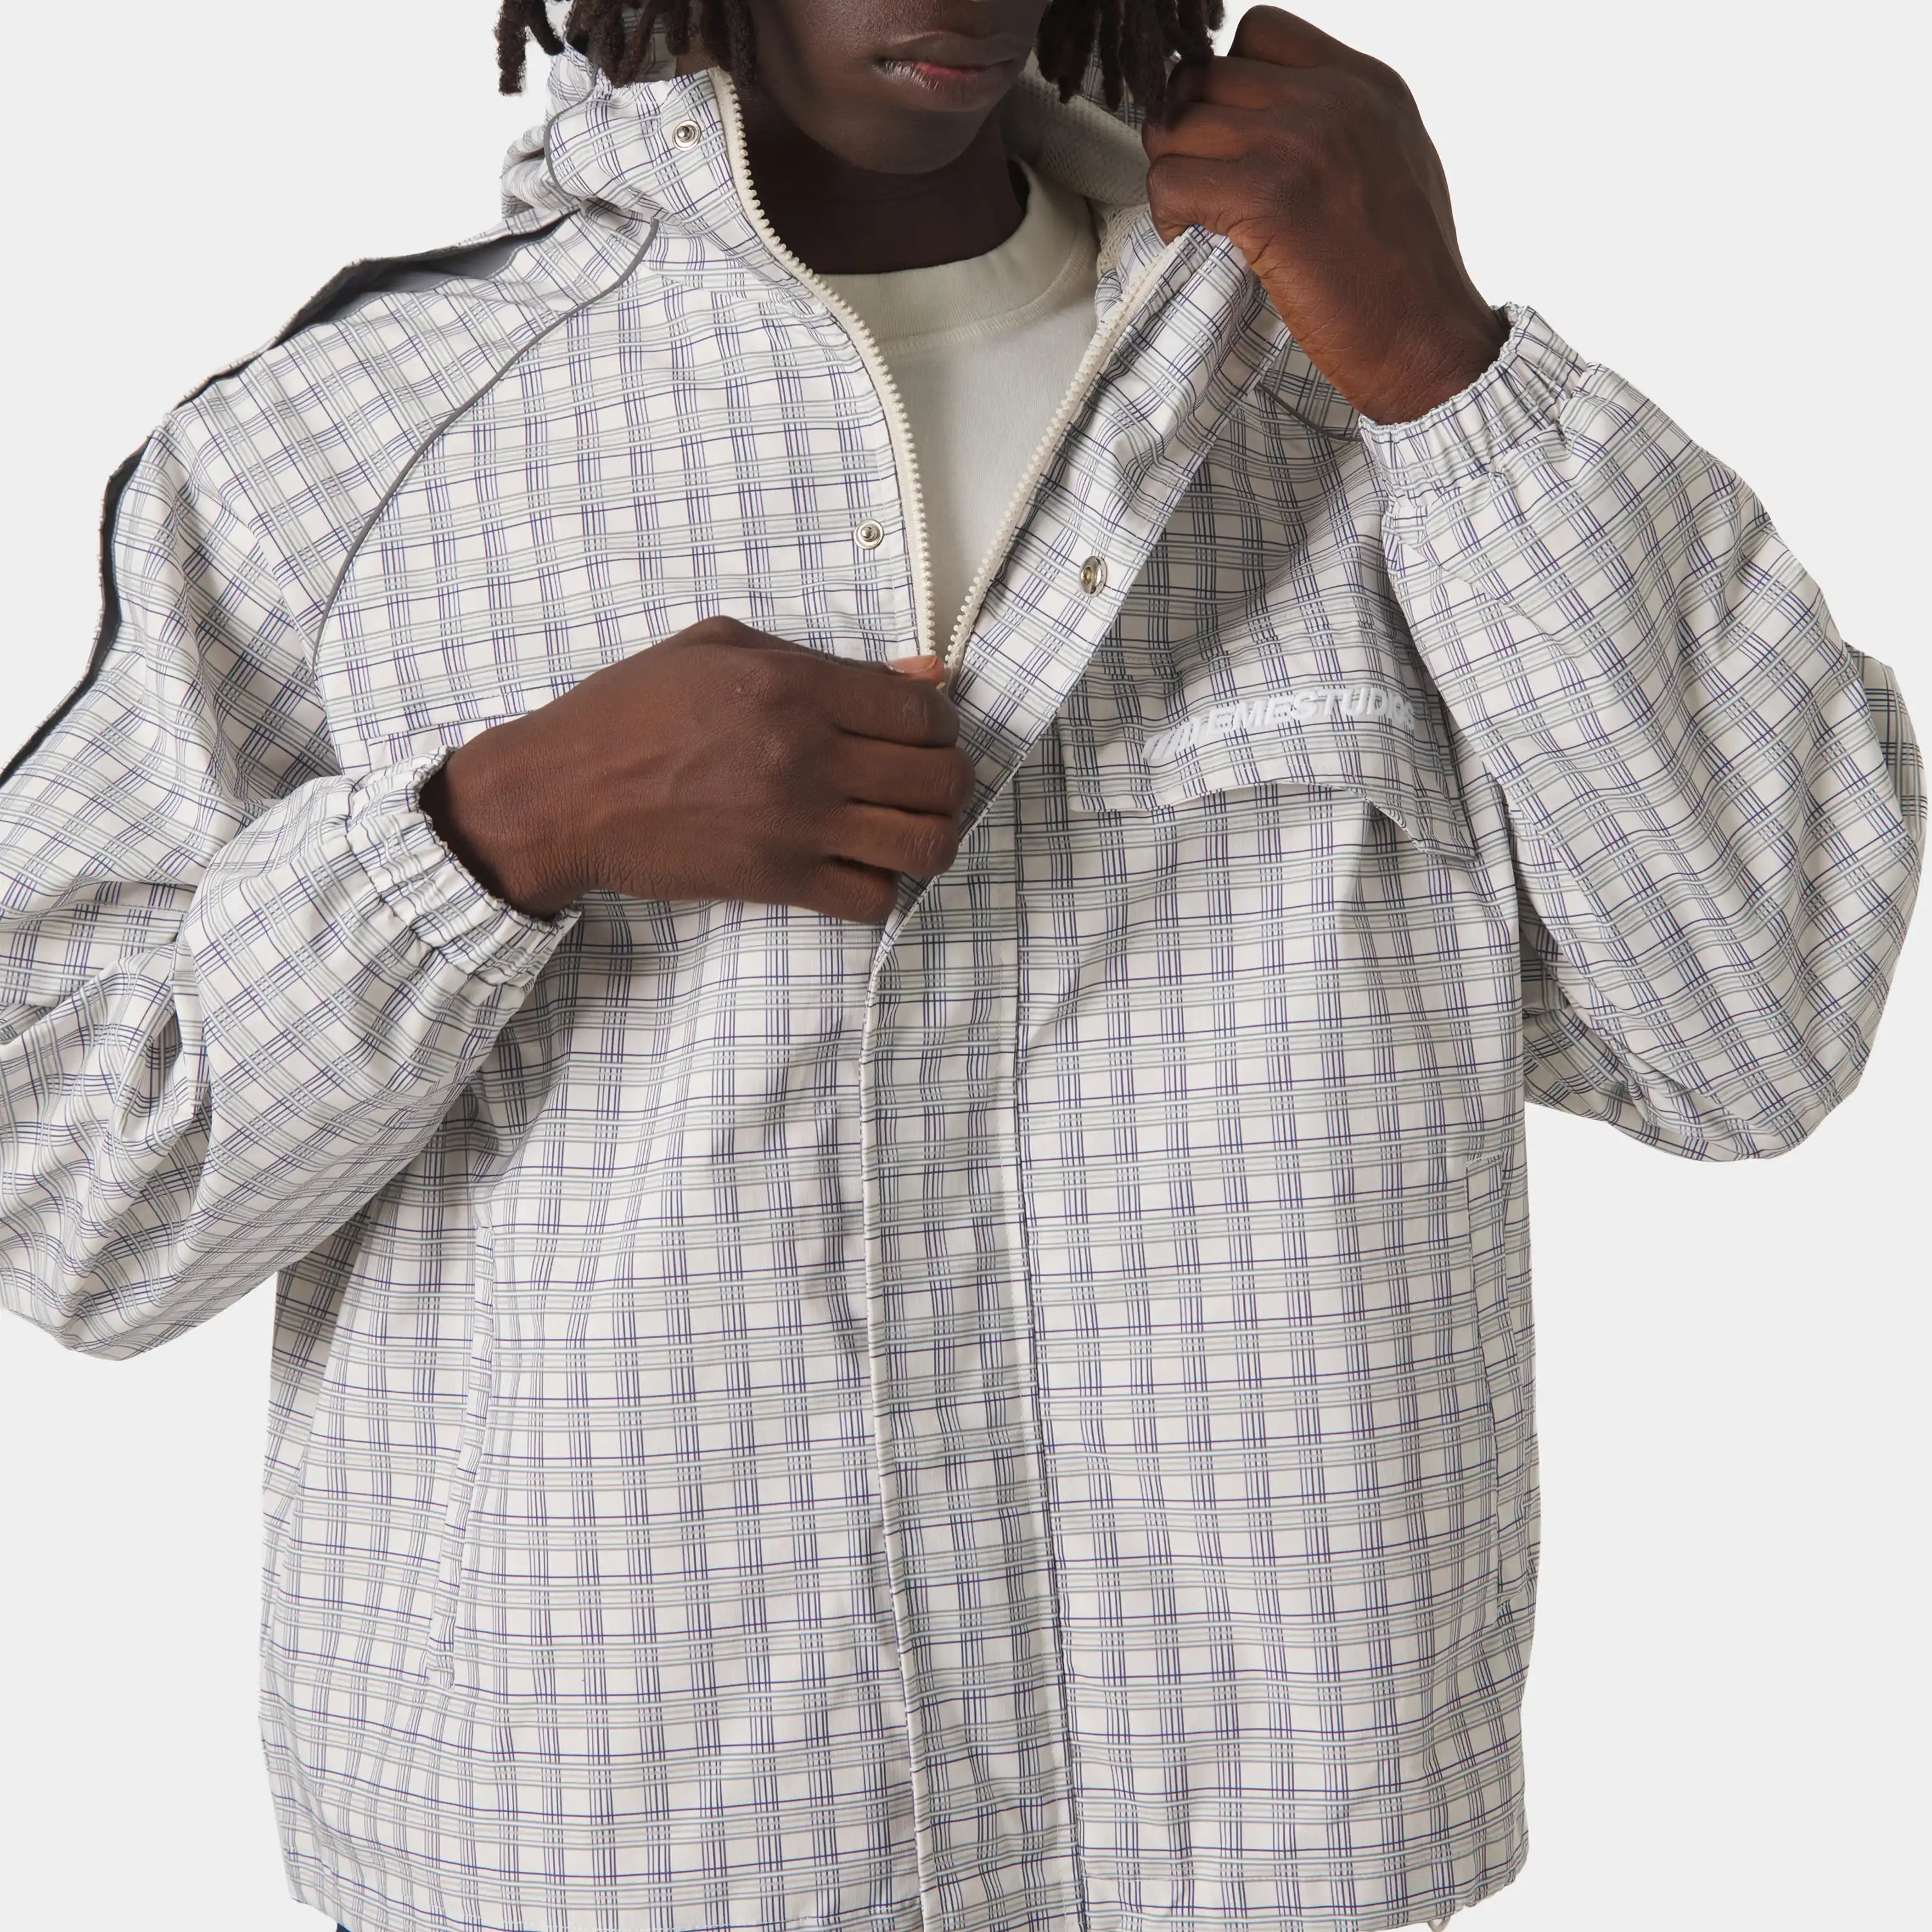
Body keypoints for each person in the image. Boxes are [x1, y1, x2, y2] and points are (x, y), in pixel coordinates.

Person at [0, 1, 1920, 1929]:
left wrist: (1445, 368)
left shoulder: (1349, 400)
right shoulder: (339, 457)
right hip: (620, 1850)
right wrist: (490, 835)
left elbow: (1750, 1029)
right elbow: (69, 1185)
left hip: (1255, 1856)